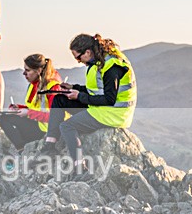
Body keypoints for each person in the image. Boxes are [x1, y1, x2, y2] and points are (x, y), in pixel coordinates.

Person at [42, 33, 137, 174]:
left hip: (113, 113)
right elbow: (97, 90)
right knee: (59, 99)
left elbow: (109, 100)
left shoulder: (112, 66)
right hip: (100, 108)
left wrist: (80, 96)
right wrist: (74, 88)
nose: (78, 61)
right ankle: (50, 144)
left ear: (87, 52)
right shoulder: (98, 61)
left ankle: (80, 167)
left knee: (67, 126)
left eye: (78, 57)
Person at [0, 54, 64, 151]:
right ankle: (22, 149)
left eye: (27, 70)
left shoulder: (53, 88)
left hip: (47, 131)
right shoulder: (34, 85)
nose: (24, 73)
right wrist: (19, 107)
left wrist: (28, 113)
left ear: (38, 71)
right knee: (4, 119)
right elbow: (36, 107)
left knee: (6, 121)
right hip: (38, 124)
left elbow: (54, 117)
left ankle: (23, 150)